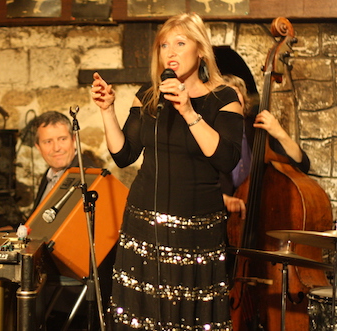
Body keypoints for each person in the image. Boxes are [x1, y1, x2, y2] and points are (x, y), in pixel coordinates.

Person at [91, 13, 243, 330]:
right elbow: (124, 154)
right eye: (163, 45)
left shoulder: (224, 97)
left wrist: (188, 111)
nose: (170, 52)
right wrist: (107, 111)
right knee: (142, 317)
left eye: (179, 43)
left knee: (190, 318)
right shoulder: (149, 95)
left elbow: (226, 158)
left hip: (197, 228)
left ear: (200, 50)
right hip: (145, 224)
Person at [221, 74, 310, 220]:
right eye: (225, 96)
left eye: (236, 94)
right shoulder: (207, 133)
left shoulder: (258, 128)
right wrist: (224, 199)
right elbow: (195, 184)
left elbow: (302, 165)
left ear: (244, 99)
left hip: (262, 213)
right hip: (222, 217)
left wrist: (279, 133)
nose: (232, 100)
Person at [31, 110, 96, 213]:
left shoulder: (86, 175)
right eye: (48, 142)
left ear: (74, 139)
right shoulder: (50, 174)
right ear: (38, 147)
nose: (56, 148)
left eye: (62, 139)